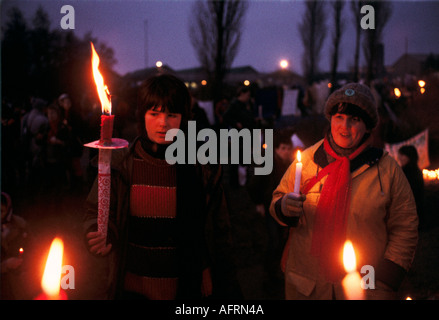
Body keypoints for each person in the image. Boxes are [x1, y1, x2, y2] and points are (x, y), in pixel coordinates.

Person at [83, 74, 241, 300]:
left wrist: (213, 270)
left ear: (183, 119)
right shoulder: (121, 165)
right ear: (142, 116)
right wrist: (100, 232)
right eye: (154, 113)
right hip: (132, 288)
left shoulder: (201, 168)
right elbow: (96, 211)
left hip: (185, 288)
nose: (163, 123)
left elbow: (219, 231)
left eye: (172, 115)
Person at [270, 83, 418, 300]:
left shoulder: (386, 170)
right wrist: (283, 207)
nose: (344, 126)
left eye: (354, 119)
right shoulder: (309, 160)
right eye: (338, 117)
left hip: (364, 287)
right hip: (308, 287)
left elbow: (406, 225)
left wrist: (386, 277)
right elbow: (278, 198)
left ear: (367, 127)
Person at [247, 130, 293, 293]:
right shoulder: (269, 163)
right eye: (282, 148)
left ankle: (276, 271)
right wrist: (258, 202)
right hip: (269, 206)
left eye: (288, 148)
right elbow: (255, 183)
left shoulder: (290, 165)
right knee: (272, 240)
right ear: (276, 149)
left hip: (283, 208)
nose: (286, 151)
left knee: (280, 240)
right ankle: (269, 274)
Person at [1, 192, 29, 299]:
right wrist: (5, 265)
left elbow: (32, 248)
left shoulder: (20, 225)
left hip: (19, 280)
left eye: (1, 211)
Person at [398, 145, 425, 228]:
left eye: (402, 155)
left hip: (409, 210)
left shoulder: (407, 172)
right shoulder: (416, 171)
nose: (400, 158)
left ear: (409, 157)